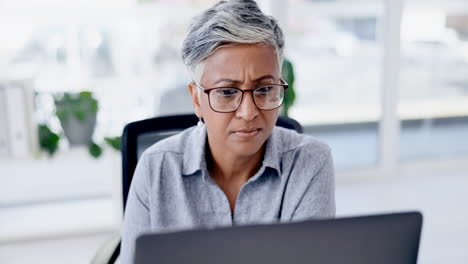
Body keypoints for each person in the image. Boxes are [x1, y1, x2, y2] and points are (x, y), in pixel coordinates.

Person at [121, 0, 335, 263]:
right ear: (197, 99)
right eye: (226, 92)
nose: (248, 112)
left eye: (265, 89)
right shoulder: (156, 168)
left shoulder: (310, 162)